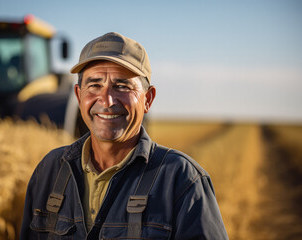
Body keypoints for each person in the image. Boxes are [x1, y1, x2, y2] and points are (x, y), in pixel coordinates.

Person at [20, 32, 228, 239]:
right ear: (78, 95)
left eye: (122, 86)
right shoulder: (49, 171)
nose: (107, 100)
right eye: (94, 85)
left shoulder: (182, 180)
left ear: (148, 99)